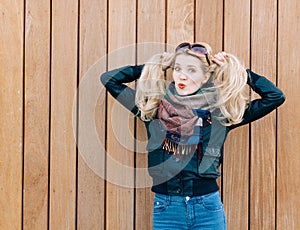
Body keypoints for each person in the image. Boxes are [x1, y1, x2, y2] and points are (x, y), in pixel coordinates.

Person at [100, 42, 285, 229]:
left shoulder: (220, 115)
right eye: (178, 68)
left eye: (192, 70)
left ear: (206, 76)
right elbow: (109, 79)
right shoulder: (153, 110)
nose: (183, 75)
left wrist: (234, 70)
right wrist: (155, 66)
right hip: (167, 209)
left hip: (207, 208)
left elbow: (275, 96)